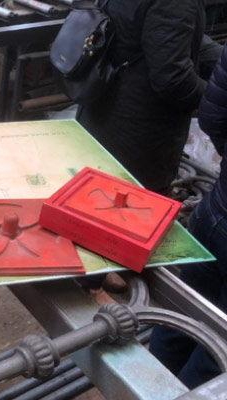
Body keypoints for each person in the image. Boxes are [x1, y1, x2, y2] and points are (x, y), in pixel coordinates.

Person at [75, 0, 221, 297]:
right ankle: (87, 288)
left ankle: (103, 269)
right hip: (139, 128)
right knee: (121, 209)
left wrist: (221, 61)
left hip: (110, 101)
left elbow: (171, 34)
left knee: (100, 199)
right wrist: (218, 98)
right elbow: (173, 79)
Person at [148, 42, 227, 389]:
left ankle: (149, 387)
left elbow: (213, 115)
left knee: (183, 314)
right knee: (217, 351)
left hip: (216, 211)